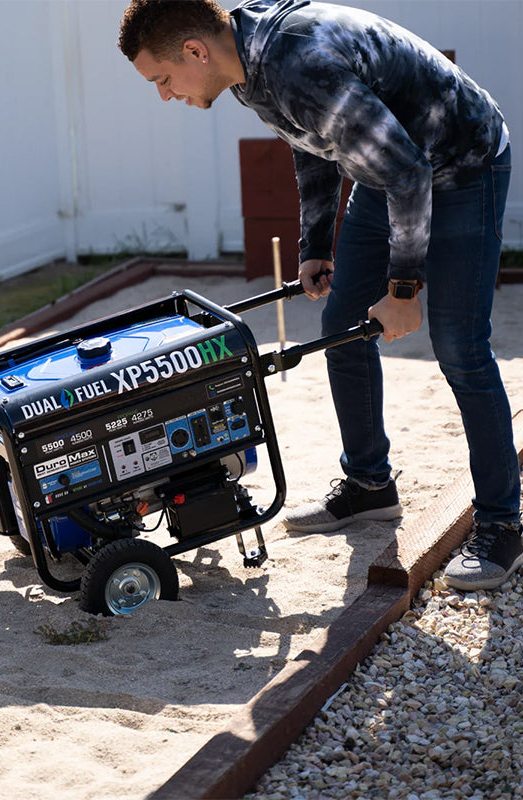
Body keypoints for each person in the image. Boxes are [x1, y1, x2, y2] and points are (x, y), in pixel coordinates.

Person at [118, 0, 523, 591]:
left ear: (195, 51)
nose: (164, 94)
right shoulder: (243, 67)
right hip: (391, 169)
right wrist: (316, 245)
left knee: (460, 344)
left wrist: (404, 288)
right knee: (342, 323)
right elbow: (310, 140)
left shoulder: (297, 63)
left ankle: (502, 526)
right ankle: (369, 486)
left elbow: (411, 172)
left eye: (162, 79)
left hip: (460, 162)